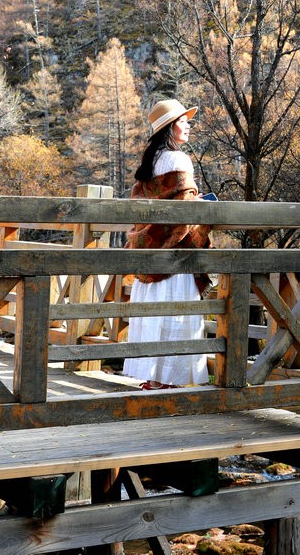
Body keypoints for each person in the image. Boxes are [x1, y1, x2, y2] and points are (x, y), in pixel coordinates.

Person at [124, 98, 211, 389]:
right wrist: (201, 206)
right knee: (175, 313)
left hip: (149, 251)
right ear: (169, 127)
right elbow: (184, 211)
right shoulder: (179, 160)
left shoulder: (149, 162)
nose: (188, 125)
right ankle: (171, 379)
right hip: (174, 255)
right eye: (182, 121)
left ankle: (153, 378)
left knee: (153, 315)